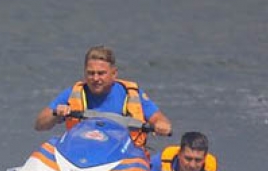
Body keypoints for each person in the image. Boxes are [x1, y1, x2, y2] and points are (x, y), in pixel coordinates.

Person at [33, 46, 173, 143]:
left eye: (101, 73)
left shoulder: (131, 94)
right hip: (81, 151)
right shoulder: (74, 93)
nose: (95, 78)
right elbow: (40, 125)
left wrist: (161, 125)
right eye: (90, 73)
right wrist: (56, 114)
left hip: (124, 156)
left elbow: (159, 119)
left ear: (113, 74)